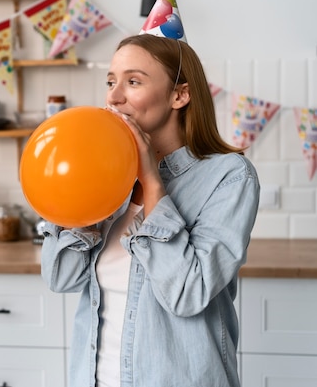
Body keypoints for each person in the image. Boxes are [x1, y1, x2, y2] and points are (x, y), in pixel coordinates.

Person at [41, 34, 260, 387]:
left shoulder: (229, 176)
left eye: (133, 81)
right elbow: (60, 277)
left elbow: (189, 293)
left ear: (179, 95)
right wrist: (85, 188)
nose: (113, 96)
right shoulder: (108, 176)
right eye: (111, 81)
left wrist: (152, 182)